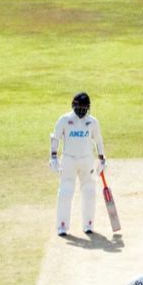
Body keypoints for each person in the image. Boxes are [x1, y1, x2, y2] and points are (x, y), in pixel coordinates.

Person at [50, 92, 105, 236]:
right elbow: (55, 138)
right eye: (79, 107)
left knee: (89, 192)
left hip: (87, 160)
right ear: (73, 105)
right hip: (68, 160)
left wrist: (102, 159)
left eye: (84, 108)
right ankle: (62, 226)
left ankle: (88, 225)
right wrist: (53, 157)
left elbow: (98, 140)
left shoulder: (92, 122)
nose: (82, 110)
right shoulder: (64, 119)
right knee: (65, 192)